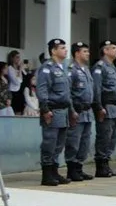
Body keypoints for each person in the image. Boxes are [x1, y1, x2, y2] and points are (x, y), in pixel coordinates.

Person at [36, 39, 74, 186]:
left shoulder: (63, 67)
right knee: (49, 143)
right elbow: (42, 89)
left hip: (63, 111)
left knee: (59, 144)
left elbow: (67, 93)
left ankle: (54, 171)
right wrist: (45, 109)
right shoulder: (47, 67)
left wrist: (71, 111)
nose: (65, 50)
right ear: (53, 51)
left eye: (65, 48)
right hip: (52, 110)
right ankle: (46, 174)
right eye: (62, 48)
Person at [92, 40, 116, 178]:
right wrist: (98, 106)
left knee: (112, 138)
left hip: (115, 107)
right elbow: (97, 88)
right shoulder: (100, 67)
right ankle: (101, 166)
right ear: (105, 51)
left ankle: (106, 164)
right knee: (104, 137)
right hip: (106, 106)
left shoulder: (113, 67)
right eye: (113, 48)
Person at [65, 42, 95, 181]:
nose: (88, 54)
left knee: (85, 142)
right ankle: (71, 169)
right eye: (84, 51)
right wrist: (71, 111)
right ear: (77, 53)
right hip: (77, 111)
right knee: (73, 142)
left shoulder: (86, 69)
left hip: (87, 112)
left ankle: (79, 167)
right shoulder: (72, 69)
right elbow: (68, 92)